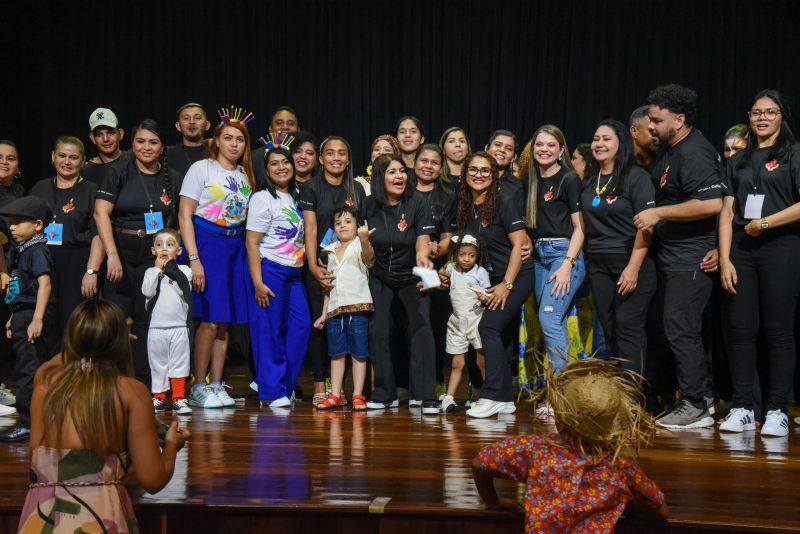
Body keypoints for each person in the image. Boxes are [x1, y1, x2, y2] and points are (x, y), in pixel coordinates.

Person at [18, 299, 190, 532]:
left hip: (42, 519)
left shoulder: (45, 386)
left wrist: (87, 345)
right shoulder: (131, 393)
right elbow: (152, 480)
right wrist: (171, 445)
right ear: (120, 343)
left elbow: (59, 363)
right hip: (99, 515)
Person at [472, 359, 668, 532]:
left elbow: (480, 463)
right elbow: (661, 510)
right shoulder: (620, 469)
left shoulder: (535, 450)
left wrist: (494, 502)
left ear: (559, 419)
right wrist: (624, 501)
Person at [634, 84, 723, 430]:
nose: (651, 125)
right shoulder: (670, 149)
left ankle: (697, 404)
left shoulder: (695, 152)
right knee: (670, 328)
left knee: (681, 328)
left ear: (680, 119)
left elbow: (713, 203)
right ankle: (686, 397)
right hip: (670, 257)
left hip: (692, 258)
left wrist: (659, 215)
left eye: (657, 120)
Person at [718, 89, 800, 437]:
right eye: (756, 112)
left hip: (780, 247)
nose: (762, 118)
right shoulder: (738, 159)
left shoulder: (793, 154)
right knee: (740, 329)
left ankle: (778, 408)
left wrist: (766, 223)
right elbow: (726, 211)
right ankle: (742, 407)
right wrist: (724, 259)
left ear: (782, 116)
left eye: (770, 112)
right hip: (742, 249)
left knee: (778, 330)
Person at [95, 119, 181, 388]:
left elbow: (176, 222)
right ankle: (112, 381)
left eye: (153, 142)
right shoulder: (118, 171)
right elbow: (101, 213)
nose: (146, 147)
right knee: (117, 320)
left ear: (162, 147)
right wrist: (112, 255)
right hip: (121, 254)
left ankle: (143, 383)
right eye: (140, 141)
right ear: (132, 144)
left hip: (153, 257)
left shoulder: (173, 177)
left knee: (148, 321)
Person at [179, 108, 255, 409]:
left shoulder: (244, 174)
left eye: (240, 139)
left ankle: (216, 383)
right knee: (209, 320)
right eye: (228, 138)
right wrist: (194, 258)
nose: (234, 144)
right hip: (207, 243)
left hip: (233, 247)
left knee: (225, 322)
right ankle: (198, 384)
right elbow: (185, 215)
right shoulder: (202, 168)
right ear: (217, 141)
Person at [455, 152, 533, 418]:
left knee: (488, 326)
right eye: (473, 170)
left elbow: (520, 246)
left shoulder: (504, 202)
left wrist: (506, 285)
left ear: (494, 175)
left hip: (517, 277)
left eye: (485, 170)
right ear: (465, 174)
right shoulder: (466, 205)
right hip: (490, 281)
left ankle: (493, 395)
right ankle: (505, 399)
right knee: (501, 335)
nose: (479, 175)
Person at [360, 155, 437, 413]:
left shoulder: (418, 202)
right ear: (381, 178)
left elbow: (422, 239)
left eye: (402, 171)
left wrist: (423, 257)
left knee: (421, 329)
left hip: (411, 275)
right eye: (392, 172)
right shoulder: (368, 205)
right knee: (378, 331)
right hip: (380, 274)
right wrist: (363, 242)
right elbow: (367, 256)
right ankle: (384, 393)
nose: (399, 177)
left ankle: (425, 395)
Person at [581, 120, 657, 375]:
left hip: (631, 262)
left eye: (606, 139)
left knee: (628, 328)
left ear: (621, 143)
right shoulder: (591, 179)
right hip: (599, 265)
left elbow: (646, 226)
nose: (599, 144)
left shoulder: (637, 176)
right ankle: (619, 397)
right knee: (610, 329)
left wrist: (633, 268)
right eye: (596, 138)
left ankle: (634, 400)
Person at [299, 136, 366, 404]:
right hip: (321, 266)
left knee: (349, 325)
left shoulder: (357, 189)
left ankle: (345, 389)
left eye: (341, 153)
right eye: (330, 153)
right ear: (321, 158)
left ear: (348, 159)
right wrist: (314, 265)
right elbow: (311, 228)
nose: (336, 158)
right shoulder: (311, 187)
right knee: (321, 325)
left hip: (352, 267)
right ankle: (320, 385)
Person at [245, 143, 310, 407]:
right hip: (271, 269)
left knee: (301, 327)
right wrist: (258, 282)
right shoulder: (263, 198)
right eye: (274, 163)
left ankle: (282, 384)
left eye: (285, 162)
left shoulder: (298, 196)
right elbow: (251, 243)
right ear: (266, 169)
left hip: (294, 273)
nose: (281, 167)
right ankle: (271, 392)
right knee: (269, 331)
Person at [525, 125, 586, 375]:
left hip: (563, 254)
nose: (544, 149)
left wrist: (567, 265)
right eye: (539, 144)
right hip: (540, 258)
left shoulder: (569, 179)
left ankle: (561, 393)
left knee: (549, 320)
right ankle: (560, 393)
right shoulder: (531, 181)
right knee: (553, 323)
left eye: (551, 145)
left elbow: (580, 228)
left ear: (561, 150)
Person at [30, 136, 103, 343]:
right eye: (62, 155)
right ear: (53, 157)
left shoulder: (91, 190)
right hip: (43, 260)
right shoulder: (39, 188)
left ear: (83, 161)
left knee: (74, 322)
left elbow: (99, 235)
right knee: (47, 319)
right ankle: (49, 371)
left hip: (77, 263)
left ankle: (74, 370)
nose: (67, 162)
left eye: (73, 157)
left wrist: (91, 271)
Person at [0, 197, 54, 442]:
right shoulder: (25, 249)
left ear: (38, 225)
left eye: (19, 222)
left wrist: (37, 318)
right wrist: (13, 316)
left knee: (28, 370)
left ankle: (29, 423)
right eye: (11, 222)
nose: (12, 227)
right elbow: (20, 286)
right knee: (26, 367)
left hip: (32, 314)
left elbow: (44, 284)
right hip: (23, 313)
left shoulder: (37, 249)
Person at [312, 206, 375, 411]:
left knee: (358, 353)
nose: (343, 225)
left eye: (348, 221)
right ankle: (336, 394)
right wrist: (324, 313)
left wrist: (364, 239)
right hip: (335, 310)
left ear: (357, 225)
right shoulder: (330, 251)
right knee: (336, 354)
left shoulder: (359, 244)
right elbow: (328, 287)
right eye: (338, 223)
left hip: (357, 308)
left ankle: (358, 394)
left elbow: (369, 258)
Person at [142, 228, 194, 415]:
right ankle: (158, 396)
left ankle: (179, 397)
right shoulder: (150, 271)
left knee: (179, 362)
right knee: (158, 363)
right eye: (159, 245)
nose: (164, 249)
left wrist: (170, 268)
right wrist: (158, 269)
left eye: (170, 245)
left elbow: (183, 290)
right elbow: (148, 291)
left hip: (179, 326)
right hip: (156, 328)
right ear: (153, 250)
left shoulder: (185, 271)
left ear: (179, 251)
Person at [439, 233, 490, 413]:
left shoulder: (481, 272)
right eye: (462, 255)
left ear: (477, 256)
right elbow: (441, 278)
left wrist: (484, 297)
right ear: (456, 255)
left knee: (481, 361)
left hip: (475, 320)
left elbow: (487, 295)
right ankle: (449, 397)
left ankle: (487, 396)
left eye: (471, 255)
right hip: (457, 323)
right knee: (457, 362)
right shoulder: (452, 268)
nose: (467, 259)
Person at [252, 106, 300, 189]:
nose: (285, 127)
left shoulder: (303, 156)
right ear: (270, 129)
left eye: (291, 123)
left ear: (298, 129)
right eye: (279, 123)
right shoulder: (255, 156)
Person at [83, 107, 129, 186]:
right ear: (92, 138)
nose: (105, 139)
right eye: (99, 134)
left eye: (110, 133)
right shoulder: (86, 171)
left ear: (120, 134)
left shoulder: (133, 160)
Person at [167, 102, 211, 179]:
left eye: (197, 118)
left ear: (207, 125)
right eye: (186, 118)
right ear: (178, 126)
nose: (192, 122)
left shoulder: (215, 154)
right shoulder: (166, 154)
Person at [630, 105, 657, 170]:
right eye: (651, 131)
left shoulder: (666, 161)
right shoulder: (620, 163)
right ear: (634, 132)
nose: (658, 135)